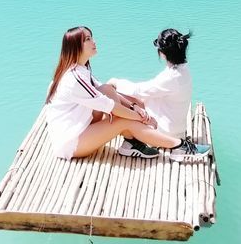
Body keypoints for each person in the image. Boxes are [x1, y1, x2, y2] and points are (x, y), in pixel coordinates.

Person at [44, 26, 210, 162]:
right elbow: (109, 106)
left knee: (108, 89)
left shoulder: (81, 69)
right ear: (76, 47)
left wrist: (134, 107)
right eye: (87, 39)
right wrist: (139, 117)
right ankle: (178, 146)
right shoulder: (73, 78)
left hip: (81, 128)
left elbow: (106, 92)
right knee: (124, 121)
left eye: (91, 37)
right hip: (70, 143)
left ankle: (131, 143)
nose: (94, 41)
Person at [106, 28, 194, 143]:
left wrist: (115, 82)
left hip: (164, 132)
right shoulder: (183, 70)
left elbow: (139, 90)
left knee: (114, 93)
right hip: (175, 128)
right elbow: (148, 90)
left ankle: (127, 140)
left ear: (162, 54)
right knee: (127, 96)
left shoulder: (171, 77)